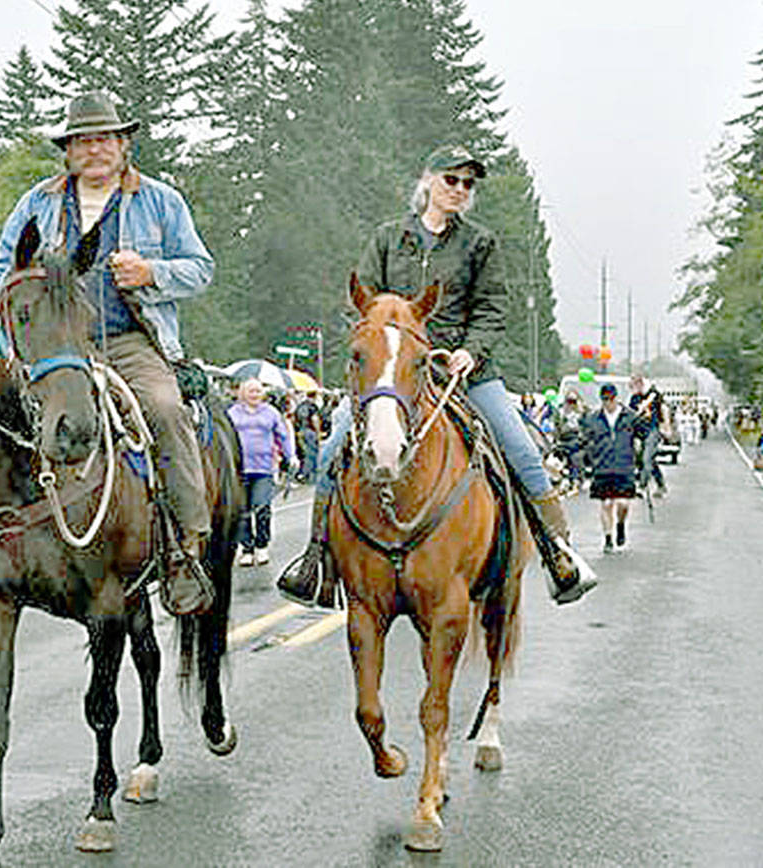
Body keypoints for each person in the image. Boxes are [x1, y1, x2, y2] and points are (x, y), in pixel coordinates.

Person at [0, 91, 216, 616]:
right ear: (68, 151)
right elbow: (3, 265)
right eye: (83, 141)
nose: (94, 150)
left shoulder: (160, 200)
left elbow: (201, 268)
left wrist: (153, 273)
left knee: (167, 410)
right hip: (46, 347)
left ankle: (183, 549)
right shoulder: (37, 201)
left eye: (105, 139)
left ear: (124, 145)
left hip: (128, 340)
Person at [285, 145, 595, 606]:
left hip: (464, 372)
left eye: (469, 184)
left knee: (523, 450)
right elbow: (366, 299)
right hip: (395, 373)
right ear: (428, 180)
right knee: (333, 447)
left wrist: (471, 351)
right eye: (452, 180)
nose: (460, 190)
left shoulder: (480, 244)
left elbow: (493, 307)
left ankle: (560, 555)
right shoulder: (389, 238)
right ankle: (316, 561)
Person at [227, 379, 295, 567]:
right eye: (250, 391)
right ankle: (247, 548)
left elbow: (282, 436)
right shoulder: (232, 413)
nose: (254, 394)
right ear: (242, 393)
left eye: (258, 391)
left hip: (264, 468)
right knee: (242, 511)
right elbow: (225, 438)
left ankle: (262, 545)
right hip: (239, 469)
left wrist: (291, 457)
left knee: (262, 507)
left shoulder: (271, 413)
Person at [582, 383, 639, 552]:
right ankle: (608, 538)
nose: (608, 402)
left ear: (616, 398)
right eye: (605, 399)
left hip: (624, 466)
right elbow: (584, 440)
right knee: (606, 503)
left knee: (623, 504)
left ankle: (620, 525)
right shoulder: (594, 418)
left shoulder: (629, 416)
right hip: (603, 466)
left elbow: (644, 433)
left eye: (611, 399)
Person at [628, 374, 667, 497]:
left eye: (634, 385)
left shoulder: (653, 395)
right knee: (647, 461)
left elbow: (661, 403)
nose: (633, 389)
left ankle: (642, 486)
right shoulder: (634, 399)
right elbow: (631, 415)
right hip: (640, 431)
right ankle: (661, 485)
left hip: (652, 430)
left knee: (647, 458)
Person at [292, 391, 323, 484]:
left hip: (301, 431)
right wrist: (318, 432)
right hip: (310, 431)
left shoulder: (300, 406)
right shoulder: (312, 406)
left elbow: (294, 419)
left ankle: (302, 472)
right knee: (312, 453)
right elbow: (315, 420)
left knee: (303, 453)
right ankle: (308, 475)